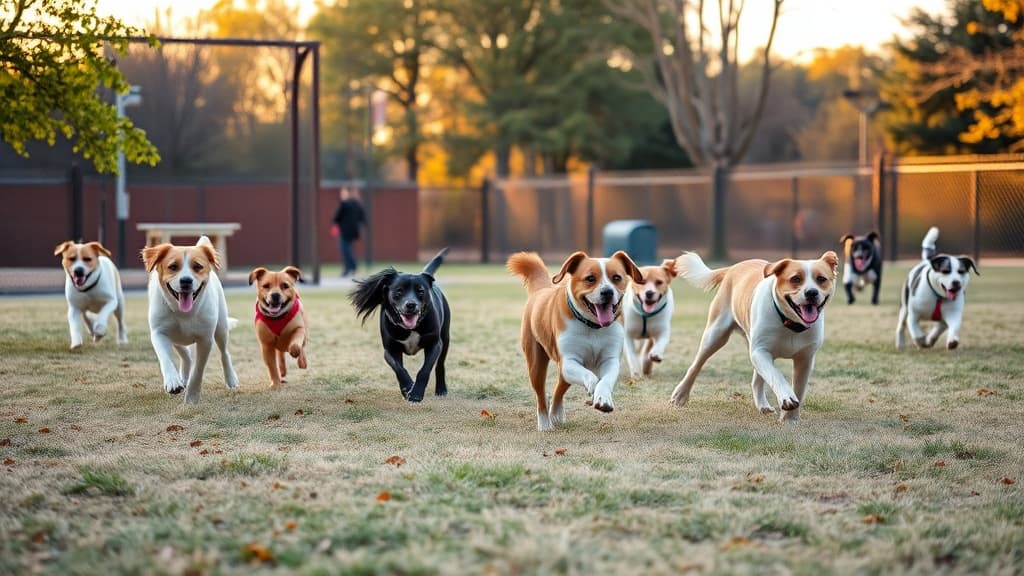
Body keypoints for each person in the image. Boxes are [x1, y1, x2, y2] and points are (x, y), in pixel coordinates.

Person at [331, 186, 366, 277]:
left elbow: (336, 217)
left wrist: (336, 224)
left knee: (345, 249)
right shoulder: (357, 204)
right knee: (348, 249)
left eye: (343, 193)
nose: (342, 195)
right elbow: (362, 218)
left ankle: (351, 267)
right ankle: (350, 268)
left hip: (344, 231)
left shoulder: (344, 204)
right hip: (354, 232)